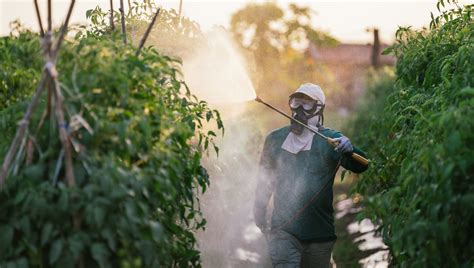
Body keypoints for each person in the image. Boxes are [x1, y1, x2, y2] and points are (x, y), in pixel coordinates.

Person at [253, 83, 368, 268]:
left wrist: (349, 148)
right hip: (283, 231)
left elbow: (362, 165)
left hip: (320, 234)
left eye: (307, 104)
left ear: (319, 109)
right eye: (295, 103)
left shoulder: (330, 141)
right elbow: (264, 181)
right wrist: (260, 216)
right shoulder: (275, 139)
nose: (299, 109)